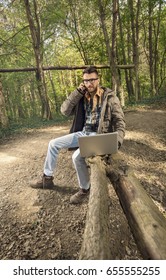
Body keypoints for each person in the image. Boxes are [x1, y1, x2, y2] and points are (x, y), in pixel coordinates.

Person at [30, 66, 125, 204]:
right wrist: (77, 92)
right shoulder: (81, 95)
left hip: (98, 136)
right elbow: (64, 111)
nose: (89, 83)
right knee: (53, 144)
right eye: (86, 81)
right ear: (83, 82)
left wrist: (117, 141)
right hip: (83, 133)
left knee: (76, 156)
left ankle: (85, 189)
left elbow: (120, 121)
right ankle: (47, 178)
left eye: (92, 80)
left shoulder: (109, 97)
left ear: (98, 80)